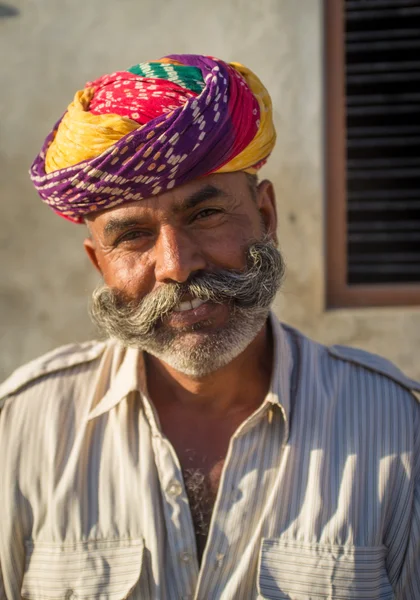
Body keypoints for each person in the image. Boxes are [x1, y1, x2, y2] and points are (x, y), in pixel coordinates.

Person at [0, 54, 419, 600]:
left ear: (266, 216)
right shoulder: (22, 428)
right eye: (132, 237)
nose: (177, 265)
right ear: (97, 263)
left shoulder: (397, 430)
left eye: (206, 215)